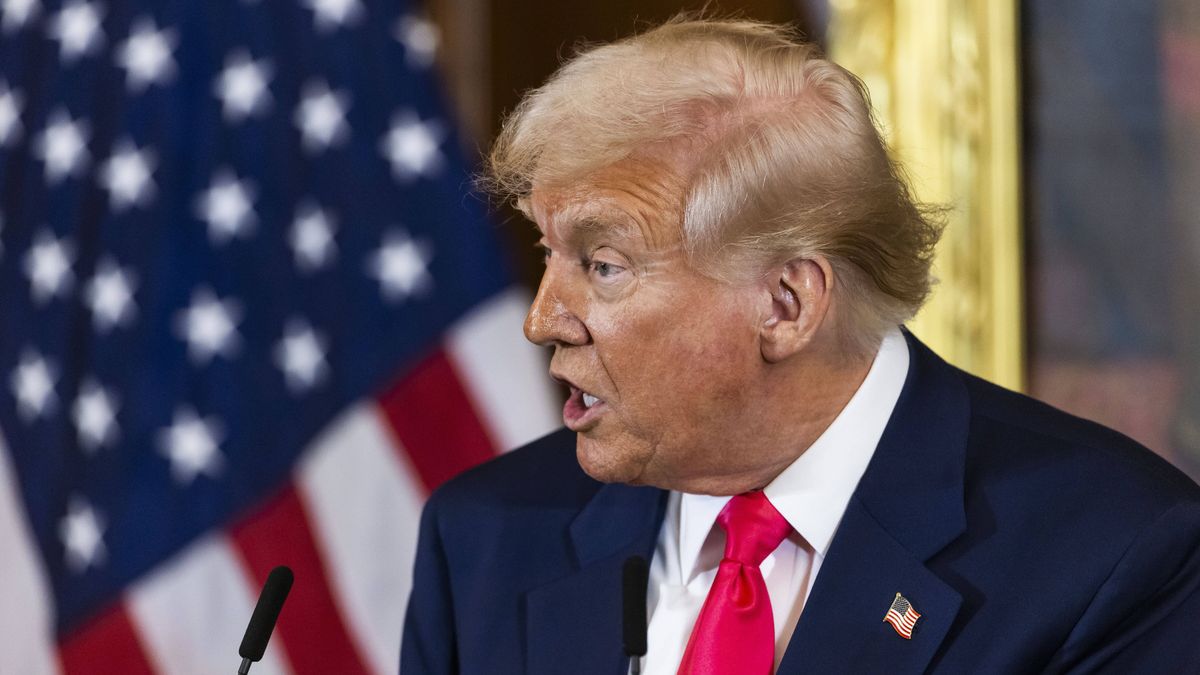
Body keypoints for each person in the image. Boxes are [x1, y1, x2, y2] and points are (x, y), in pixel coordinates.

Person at [400, 17, 1200, 674]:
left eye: (602, 265)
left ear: (787, 304)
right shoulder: (484, 539)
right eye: (550, 254)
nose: (543, 319)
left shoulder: (1117, 557)